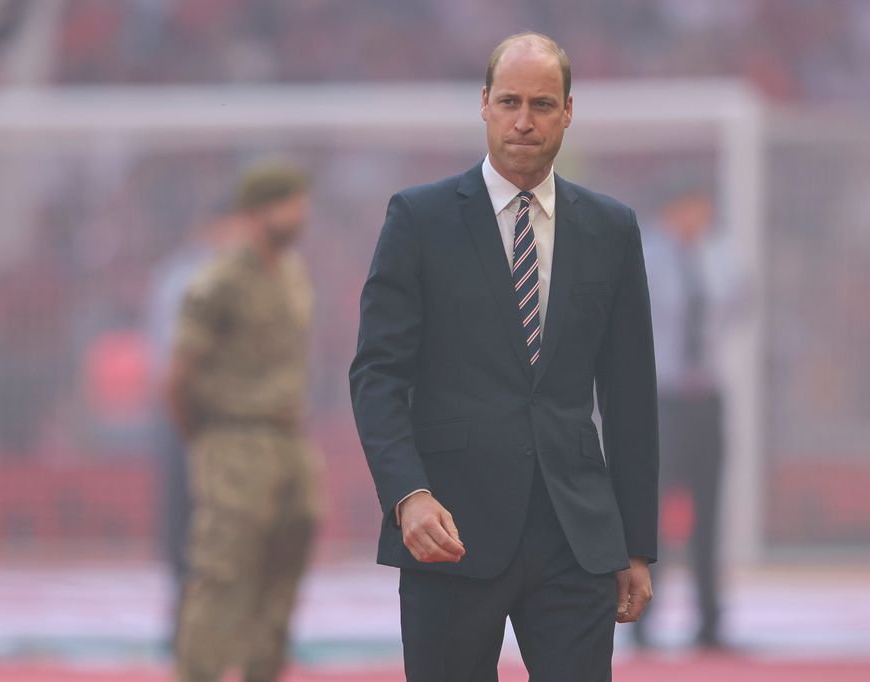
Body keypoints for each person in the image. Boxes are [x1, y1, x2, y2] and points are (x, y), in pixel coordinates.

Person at [350, 32, 659, 682]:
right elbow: (377, 375)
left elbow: (630, 395)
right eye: (511, 101)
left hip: (576, 536)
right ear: (485, 104)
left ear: (569, 111)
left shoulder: (611, 229)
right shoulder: (418, 219)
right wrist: (409, 495)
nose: (525, 120)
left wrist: (635, 545)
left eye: (543, 104)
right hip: (448, 534)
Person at [167, 162, 321, 682]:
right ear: (258, 211)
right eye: (290, 202)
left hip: (288, 440)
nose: (301, 213)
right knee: (222, 575)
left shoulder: (293, 273)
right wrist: (207, 441)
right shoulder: (219, 282)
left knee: (283, 575)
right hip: (234, 439)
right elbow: (178, 377)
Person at [633, 178, 748, 649]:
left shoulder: (721, 257)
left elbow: (739, 306)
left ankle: (710, 619)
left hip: (706, 397)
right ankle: (642, 616)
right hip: (662, 400)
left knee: (710, 511)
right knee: (653, 512)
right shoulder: (645, 256)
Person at [145, 197, 241, 649]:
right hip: (191, 416)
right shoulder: (179, 278)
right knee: (185, 519)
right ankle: (186, 615)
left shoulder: (258, 277)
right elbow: (166, 354)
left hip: (240, 420)